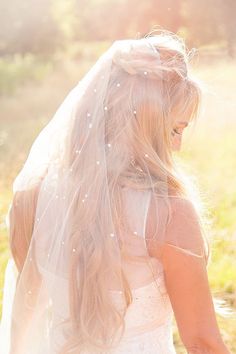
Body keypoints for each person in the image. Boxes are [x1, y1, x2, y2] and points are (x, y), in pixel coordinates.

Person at [0, 30, 232, 354]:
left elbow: (24, 319)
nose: (177, 146)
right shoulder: (168, 214)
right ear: (144, 127)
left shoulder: (32, 195)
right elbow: (203, 342)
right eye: (175, 129)